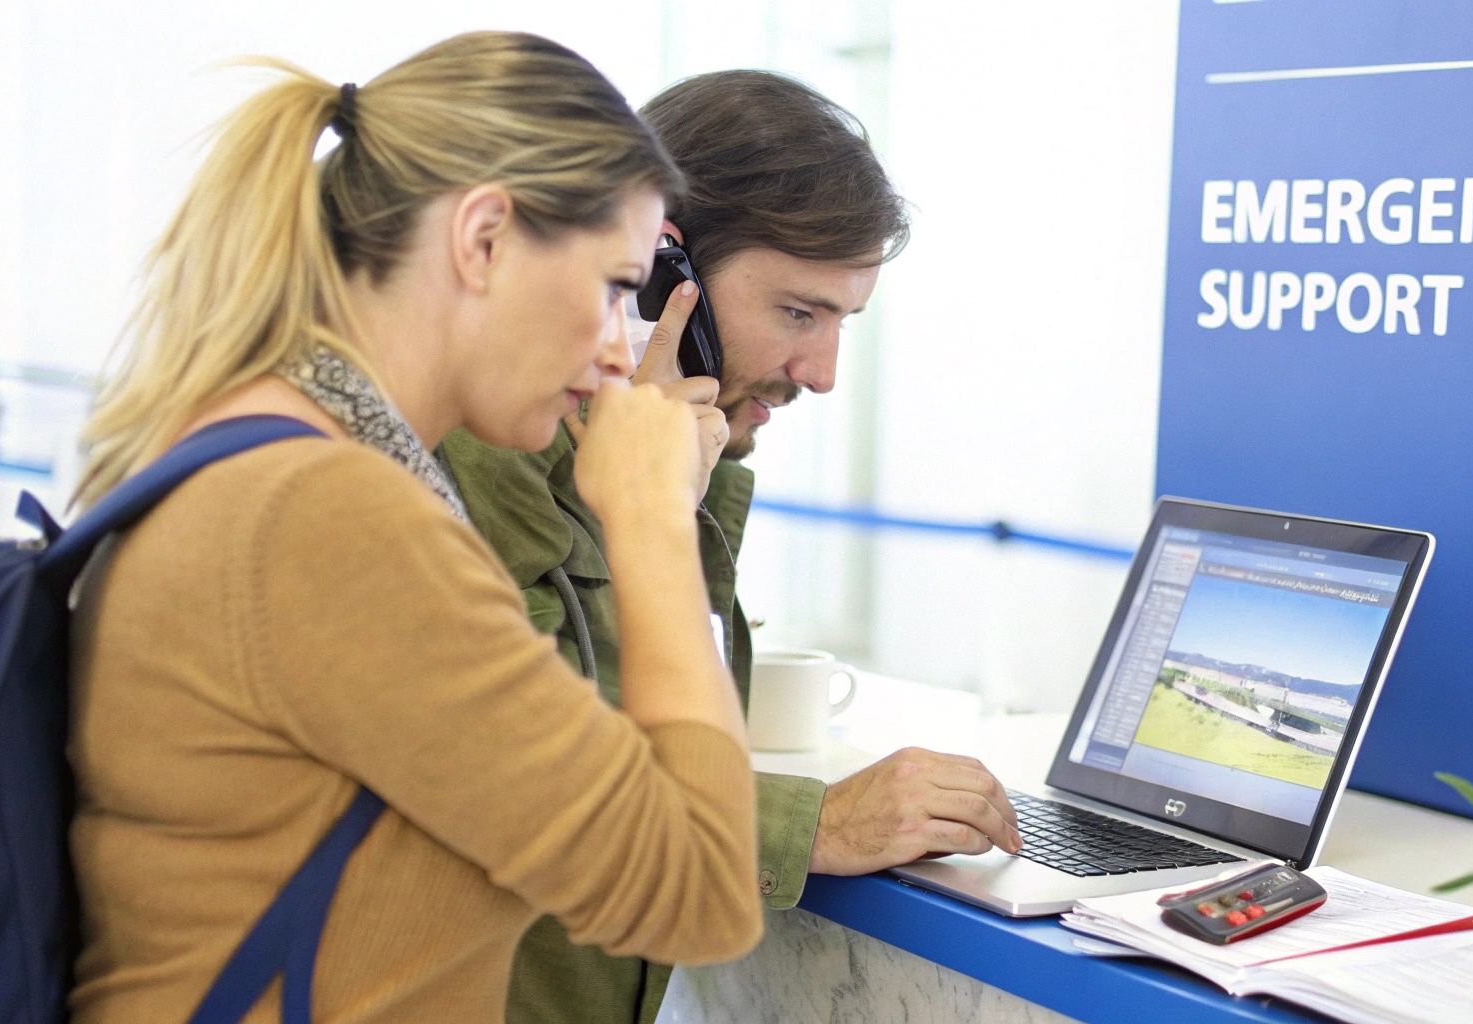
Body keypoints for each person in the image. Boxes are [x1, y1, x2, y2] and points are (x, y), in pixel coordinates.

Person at [67, 33, 762, 1023]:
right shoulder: (329, 517)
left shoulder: (255, 445)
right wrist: (652, 520)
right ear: (481, 239)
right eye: (614, 286)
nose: (621, 352)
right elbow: (699, 889)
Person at [440, 71, 1023, 1024]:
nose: (823, 374)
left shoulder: (663, 464)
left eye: (844, 322)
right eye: (798, 313)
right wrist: (818, 824)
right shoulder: (485, 452)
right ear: (666, 277)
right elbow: (508, 780)